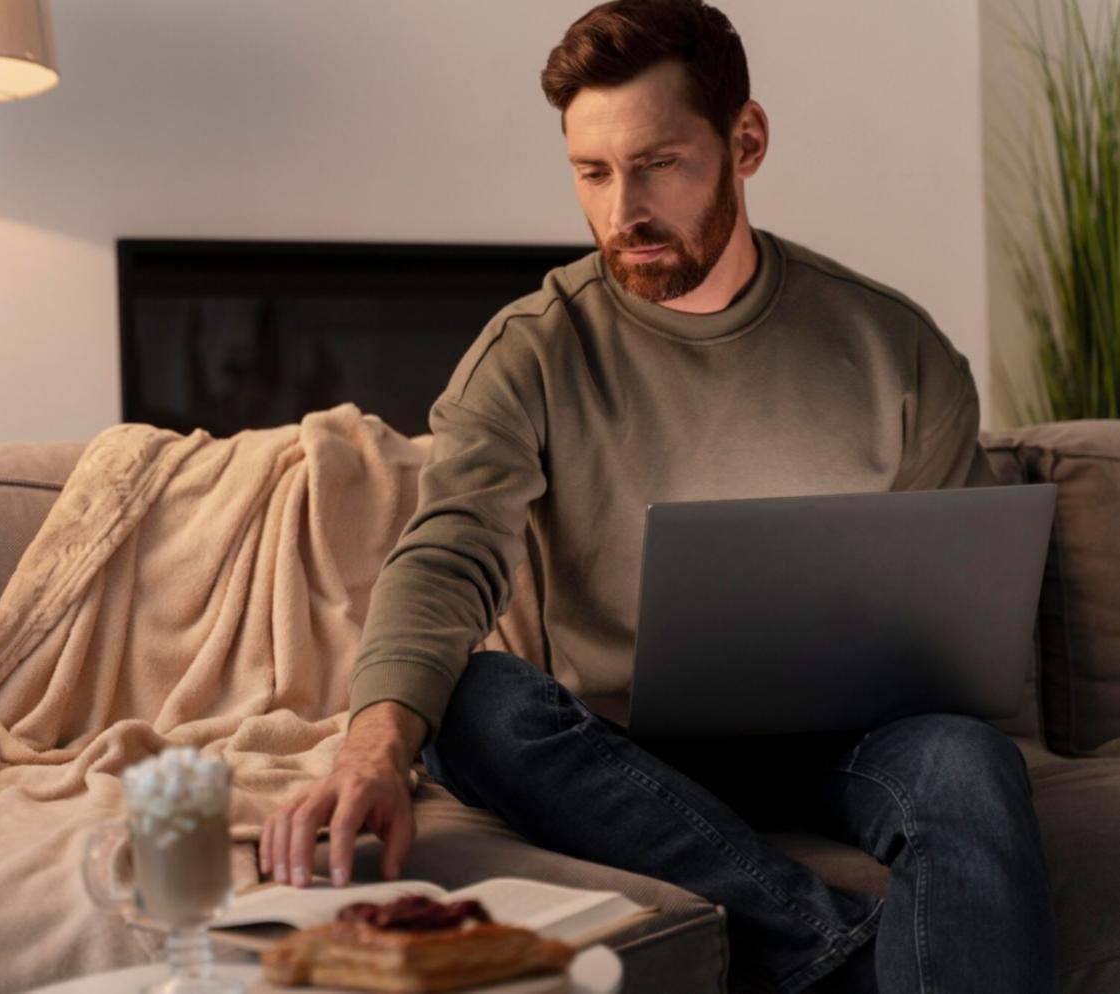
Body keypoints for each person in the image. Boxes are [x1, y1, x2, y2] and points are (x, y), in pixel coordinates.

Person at [260, 2, 1059, 991]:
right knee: (478, 701)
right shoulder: (533, 349)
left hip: (851, 741)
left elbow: (953, 614)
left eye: (658, 163)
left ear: (745, 141)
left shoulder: (896, 350)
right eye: (591, 173)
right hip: (628, 755)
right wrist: (375, 743)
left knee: (966, 763)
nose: (619, 210)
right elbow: (447, 552)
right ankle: (829, 945)